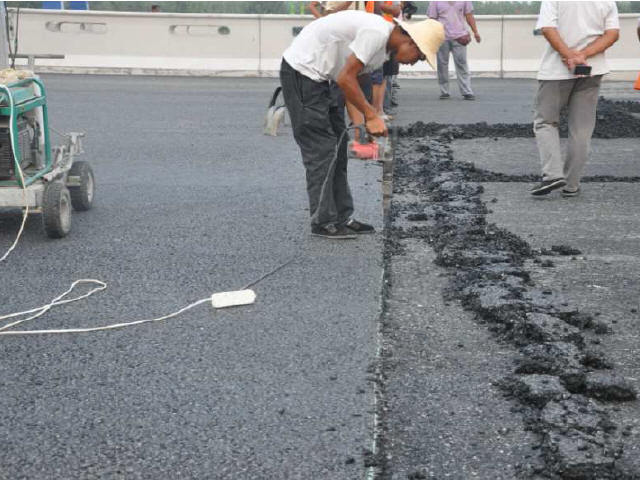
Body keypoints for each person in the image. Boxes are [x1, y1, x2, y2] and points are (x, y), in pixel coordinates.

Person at [280, 10, 444, 239]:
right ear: (410, 41)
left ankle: (342, 217)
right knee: (322, 151)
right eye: (418, 57)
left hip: (324, 79)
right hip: (302, 73)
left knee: (338, 146)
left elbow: (356, 78)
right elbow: (346, 78)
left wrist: (366, 119)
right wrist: (371, 115)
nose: (413, 63)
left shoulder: (383, 49)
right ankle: (323, 221)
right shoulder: (376, 33)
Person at [530, 1, 619, 197]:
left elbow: (547, 28)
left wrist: (569, 55)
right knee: (582, 129)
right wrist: (584, 55)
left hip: (556, 71)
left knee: (546, 121)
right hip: (592, 69)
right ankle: (571, 185)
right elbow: (612, 34)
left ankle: (552, 174)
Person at [427, 1, 480, 100]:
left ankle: (467, 91)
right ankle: (444, 91)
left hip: (460, 36)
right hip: (441, 37)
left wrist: (475, 32)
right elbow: (432, 20)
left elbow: (469, 16)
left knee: (462, 64)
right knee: (442, 65)